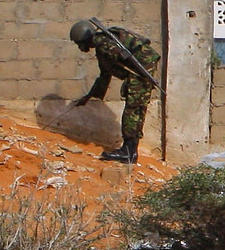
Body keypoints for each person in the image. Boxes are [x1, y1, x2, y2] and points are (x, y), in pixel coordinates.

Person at [68, 18, 161, 163]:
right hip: (142, 69)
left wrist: (132, 79)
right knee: (135, 109)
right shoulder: (104, 41)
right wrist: (90, 96)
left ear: (83, 39)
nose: (79, 47)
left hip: (141, 72)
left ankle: (128, 152)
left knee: (133, 111)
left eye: (78, 43)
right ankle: (130, 151)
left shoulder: (103, 45)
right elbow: (105, 74)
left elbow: (111, 68)